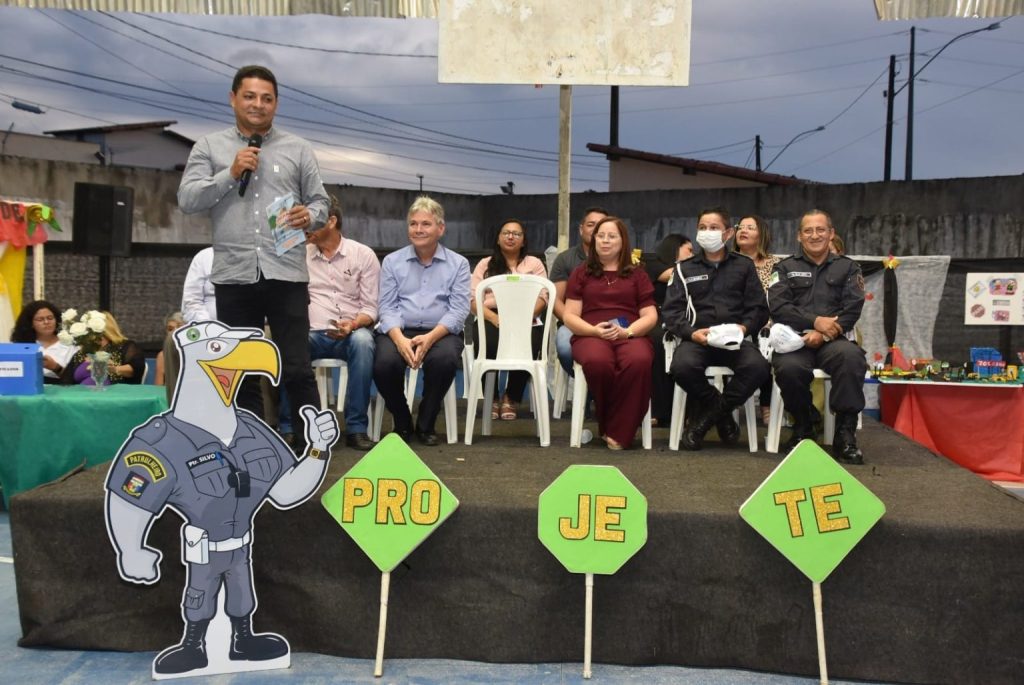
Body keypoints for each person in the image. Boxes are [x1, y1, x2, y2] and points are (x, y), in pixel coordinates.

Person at [177, 64, 328, 451]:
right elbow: (188, 199)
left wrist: (308, 215)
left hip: (287, 273)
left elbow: (321, 202)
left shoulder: (298, 148)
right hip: (234, 275)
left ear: (276, 104)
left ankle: (310, 441)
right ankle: (251, 443)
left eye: (266, 98)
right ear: (233, 99)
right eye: (250, 96)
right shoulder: (208, 147)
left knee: (296, 365)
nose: (258, 105)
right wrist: (230, 173)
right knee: (239, 368)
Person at [663, 208, 770, 451]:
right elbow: (672, 311)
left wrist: (744, 328)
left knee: (758, 367)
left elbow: (759, 308)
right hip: (698, 339)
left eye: (714, 228)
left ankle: (705, 420)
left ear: (728, 233)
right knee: (682, 367)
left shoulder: (744, 266)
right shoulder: (683, 269)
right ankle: (721, 414)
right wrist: (691, 333)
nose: (707, 233)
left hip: (735, 339)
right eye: (702, 227)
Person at [768, 209, 868, 464]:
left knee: (852, 358)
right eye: (808, 231)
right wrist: (814, 322)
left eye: (820, 230)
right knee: (788, 368)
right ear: (799, 236)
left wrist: (822, 334)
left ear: (831, 233)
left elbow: (852, 308)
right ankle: (804, 426)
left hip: (832, 341)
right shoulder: (784, 267)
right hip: (795, 341)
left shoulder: (848, 268)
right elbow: (779, 307)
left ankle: (844, 434)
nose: (815, 235)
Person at [373, 196, 470, 446]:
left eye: (426, 224)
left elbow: (458, 311)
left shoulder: (459, 264)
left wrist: (430, 338)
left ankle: (426, 421)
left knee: (444, 360)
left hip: (441, 331)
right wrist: (399, 338)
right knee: (383, 364)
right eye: (413, 224)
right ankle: (403, 420)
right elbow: (386, 306)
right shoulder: (393, 262)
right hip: (399, 328)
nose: (418, 229)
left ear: (441, 228)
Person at [563, 217, 657, 450]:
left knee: (639, 360)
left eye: (612, 236)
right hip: (590, 334)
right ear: (593, 239)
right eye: (600, 235)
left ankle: (617, 430)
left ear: (622, 241)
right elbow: (570, 316)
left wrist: (628, 333)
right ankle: (613, 424)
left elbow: (650, 315)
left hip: (628, 333)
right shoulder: (580, 273)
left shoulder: (637, 274)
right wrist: (594, 331)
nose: (605, 240)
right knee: (598, 362)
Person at [305, 195, 380, 451]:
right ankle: (293, 426)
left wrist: (353, 324)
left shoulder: (362, 255)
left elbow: (372, 307)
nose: (305, 226)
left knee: (363, 342)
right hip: (312, 333)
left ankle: (356, 428)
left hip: (350, 331)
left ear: (331, 221)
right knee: (290, 346)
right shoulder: (299, 255)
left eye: (311, 220)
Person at [470, 219, 549, 421]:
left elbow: (543, 297)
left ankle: (511, 397)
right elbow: (472, 300)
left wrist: (522, 319)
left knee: (530, 343)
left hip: (526, 316)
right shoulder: (485, 264)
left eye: (516, 234)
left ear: (523, 241)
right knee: (488, 341)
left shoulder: (535, 264)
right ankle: (492, 397)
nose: (511, 237)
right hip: (491, 315)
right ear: (498, 238)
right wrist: (495, 318)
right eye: (506, 233)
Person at [734, 214, 782, 426]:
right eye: (740, 227)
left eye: (750, 227)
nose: (743, 230)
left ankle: (766, 403)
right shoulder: (726, 262)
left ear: (761, 234)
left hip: (767, 322)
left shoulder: (776, 265)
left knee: (767, 340)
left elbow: (780, 298)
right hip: (735, 323)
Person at [549, 206, 609, 374]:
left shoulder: (620, 259)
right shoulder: (566, 259)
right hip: (573, 324)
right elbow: (555, 301)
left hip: (612, 323)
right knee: (565, 347)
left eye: (602, 224)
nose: (596, 229)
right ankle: (591, 390)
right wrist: (575, 322)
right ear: (581, 229)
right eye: (591, 224)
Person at [644, 234, 693, 426]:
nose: (692, 255)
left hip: (683, 318)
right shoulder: (654, 264)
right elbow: (676, 275)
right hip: (657, 317)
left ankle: (686, 411)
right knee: (657, 342)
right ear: (675, 248)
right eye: (689, 250)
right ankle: (659, 410)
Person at [10, 299, 77, 384]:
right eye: (40, 319)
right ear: (31, 324)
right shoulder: (21, 346)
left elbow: (77, 378)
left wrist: (55, 367)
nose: (46, 322)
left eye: (50, 318)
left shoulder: (70, 345)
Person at [70, 311, 146, 385]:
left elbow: (137, 369)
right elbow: (67, 380)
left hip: (115, 393)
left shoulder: (124, 346)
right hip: (79, 394)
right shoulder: (82, 352)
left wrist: (114, 369)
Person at [181, 246, 217, 323]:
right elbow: (191, 300)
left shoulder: (249, 254)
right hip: (209, 326)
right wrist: (206, 325)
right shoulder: (205, 256)